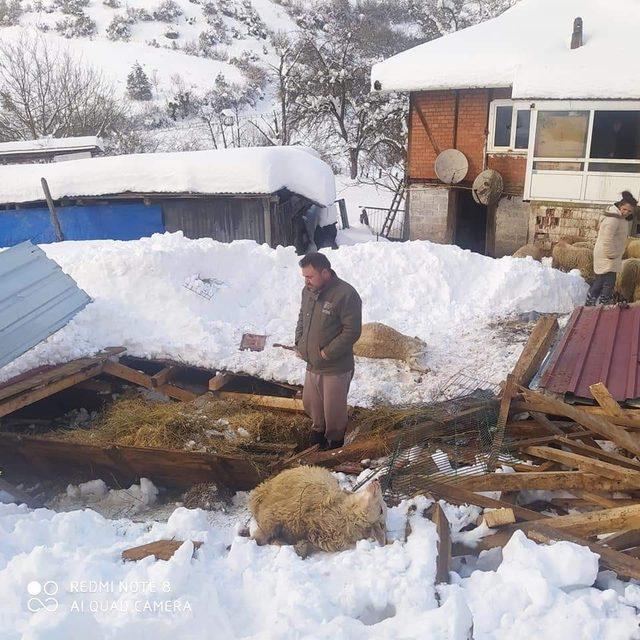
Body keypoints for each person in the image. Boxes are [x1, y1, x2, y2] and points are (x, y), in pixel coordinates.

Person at [294, 252, 362, 450]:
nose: (306, 280)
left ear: (325, 272)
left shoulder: (345, 294)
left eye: (310, 276)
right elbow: (302, 317)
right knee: (312, 405)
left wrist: (327, 353)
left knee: (334, 412)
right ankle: (317, 438)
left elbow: (352, 331)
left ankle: (334, 445)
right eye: (304, 276)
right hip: (312, 363)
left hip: (335, 367)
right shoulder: (307, 291)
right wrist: (299, 342)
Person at [586, 190, 638, 306]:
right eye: (624, 209)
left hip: (607, 255)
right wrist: (612, 255)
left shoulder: (619, 217)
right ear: (620, 206)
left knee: (600, 281)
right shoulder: (613, 219)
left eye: (629, 211)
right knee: (608, 283)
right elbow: (607, 238)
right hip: (608, 256)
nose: (626, 212)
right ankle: (604, 305)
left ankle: (590, 303)